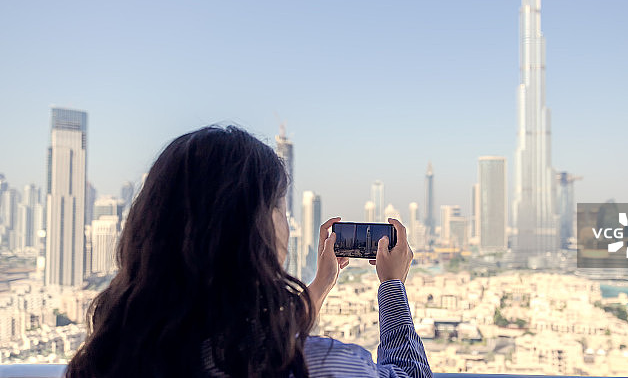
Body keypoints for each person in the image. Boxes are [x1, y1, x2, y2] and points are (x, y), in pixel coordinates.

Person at [66, 126, 432, 378]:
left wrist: (321, 284)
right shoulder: (323, 365)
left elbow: (259, 334)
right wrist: (392, 287)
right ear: (255, 229)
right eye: (281, 210)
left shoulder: (106, 358)